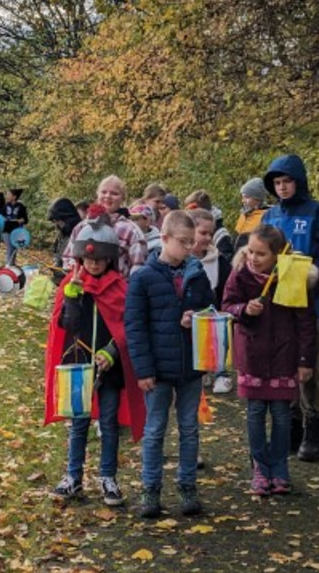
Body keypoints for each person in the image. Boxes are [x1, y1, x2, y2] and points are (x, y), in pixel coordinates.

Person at [44, 212, 145, 506]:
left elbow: (127, 327)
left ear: (110, 259)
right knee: (79, 423)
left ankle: (108, 478)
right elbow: (66, 326)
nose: (94, 263)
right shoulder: (72, 285)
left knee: (110, 422)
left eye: (100, 259)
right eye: (89, 259)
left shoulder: (120, 289)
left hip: (108, 369)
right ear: (79, 258)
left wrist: (111, 352)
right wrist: (73, 298)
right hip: (78, 366)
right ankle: (73, 477)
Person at [125, 210, 215, 519]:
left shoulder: (197, 274)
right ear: (164, 238)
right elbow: (134, 327)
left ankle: (187, 486)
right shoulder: (143, 278)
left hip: (190, 366)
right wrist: (144, 370)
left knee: (189, 428)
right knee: (155, 429)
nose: (190, 248)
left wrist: (196, 315)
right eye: (183, 242)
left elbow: (210, 307)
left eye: (192, 242)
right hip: (158, 369)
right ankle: (151, 489)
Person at [222, 225, 318, 496]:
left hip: (284, 357)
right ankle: (260, 467)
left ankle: (279, 467)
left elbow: (305, 322)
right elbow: (227, 304)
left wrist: (304, 360)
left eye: (261, 254)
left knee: (280, 414)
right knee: (255, 413)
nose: (253, 257)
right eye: (250, 251)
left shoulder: (291, 278)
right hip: (252, 355)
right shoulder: (240, 273)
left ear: (277, 255)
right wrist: (244, 309)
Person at [262, 154, 319, 462]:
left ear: (299, 181)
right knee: (282, 365)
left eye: (287, 181)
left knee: (311, 367)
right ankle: (289, 428)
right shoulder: (269, 217)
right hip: (277, 304)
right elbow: (259, 253)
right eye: (277, 183)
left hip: (310, 303)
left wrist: (313, 274)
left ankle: (314, 428)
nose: (282, 188)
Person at [187, 207, 234, 394]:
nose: (207, 237)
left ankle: (222, 373)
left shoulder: (219, 261)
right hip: (190, 312)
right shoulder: (182, 259)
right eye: (203, 233)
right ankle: (201, 371)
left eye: (210, 233)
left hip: (214, 310)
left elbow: (226, 286)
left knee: (218, 342)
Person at [62, 176, 147, 279]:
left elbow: (138, 266)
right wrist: (78, 273)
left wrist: (127, 287)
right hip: (84, 288)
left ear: (123, 198)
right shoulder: (82, 227)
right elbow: (68, 257)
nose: (108, 196)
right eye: (104, 192)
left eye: (114, 193)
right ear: (97, 194)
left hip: (116, 290)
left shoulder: (130, 230)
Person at [233, 177, 271, 251]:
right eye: (243, 197)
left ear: (257, 198)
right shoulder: (243, 214)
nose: (243, 200)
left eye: (247, 197)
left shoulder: (265, 216)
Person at [46, 198, 82, 272]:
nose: (56, 224)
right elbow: (57, 252)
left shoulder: (80, 233)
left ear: (65, 217)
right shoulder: (62, 234)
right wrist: (56, 264)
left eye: (57, 220)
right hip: (60, 278)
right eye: (54, 221)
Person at [3, 188, 29, 267]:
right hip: (6, 230)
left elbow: (26, 220)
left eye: (8, 194)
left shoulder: (21, 207)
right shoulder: (5, 206)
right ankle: (8, 265)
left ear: (14, 197)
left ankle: (12, 264)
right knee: (9, 247)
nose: (7, 196)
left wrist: (22, 220)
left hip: (17, 231)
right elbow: (0, 216)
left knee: (14, 248)